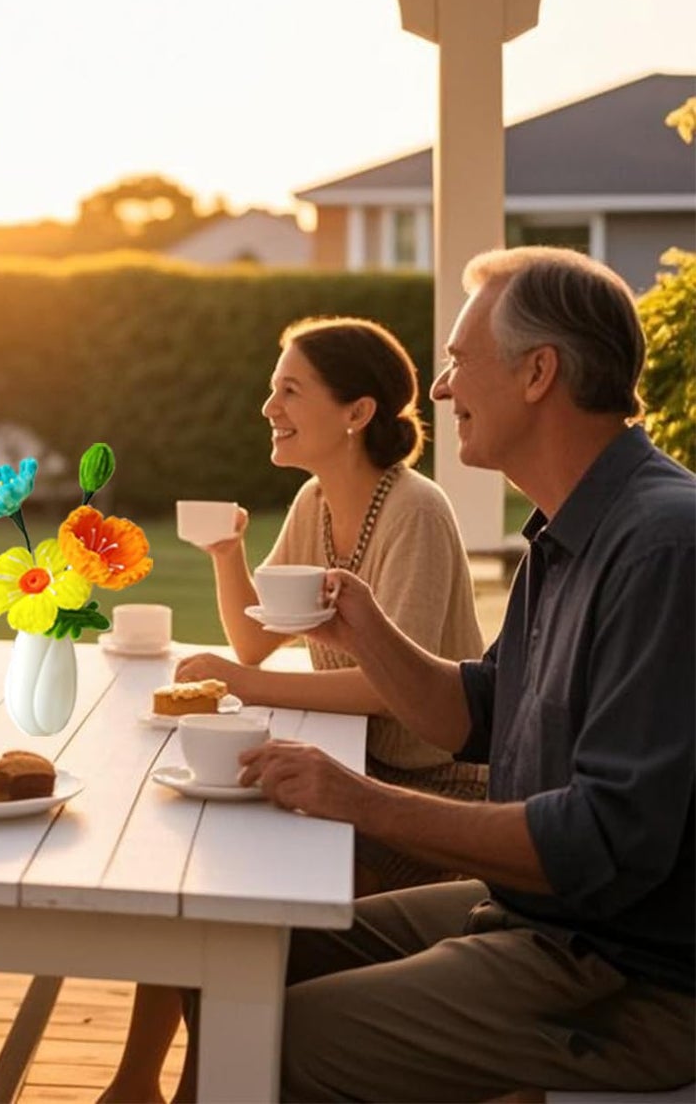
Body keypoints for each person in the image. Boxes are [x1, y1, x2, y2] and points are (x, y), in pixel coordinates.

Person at [235, 247, 694, 1100]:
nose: (439, 391)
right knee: (245, 951)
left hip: (631, 974)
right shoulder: (570, 528)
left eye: (454, 362)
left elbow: (603, 837)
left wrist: (358, 798)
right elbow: (484, 711)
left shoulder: (662, 545)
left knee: (282, 1038)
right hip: (536, 916)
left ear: (537, 373)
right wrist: (367, 628)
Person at [100, 315, 487, 1103]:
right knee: (195, 869)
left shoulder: (413, 508)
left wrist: (245, 688)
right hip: (346, 767)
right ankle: (136, 1083)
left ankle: (203, 1089)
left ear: (356, 411)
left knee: (237, 907)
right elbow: (251, 640)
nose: (267, 405)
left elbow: (389, 688)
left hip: (430, 790)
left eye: (288, 389)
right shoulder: (317, 498)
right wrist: (227, 554)